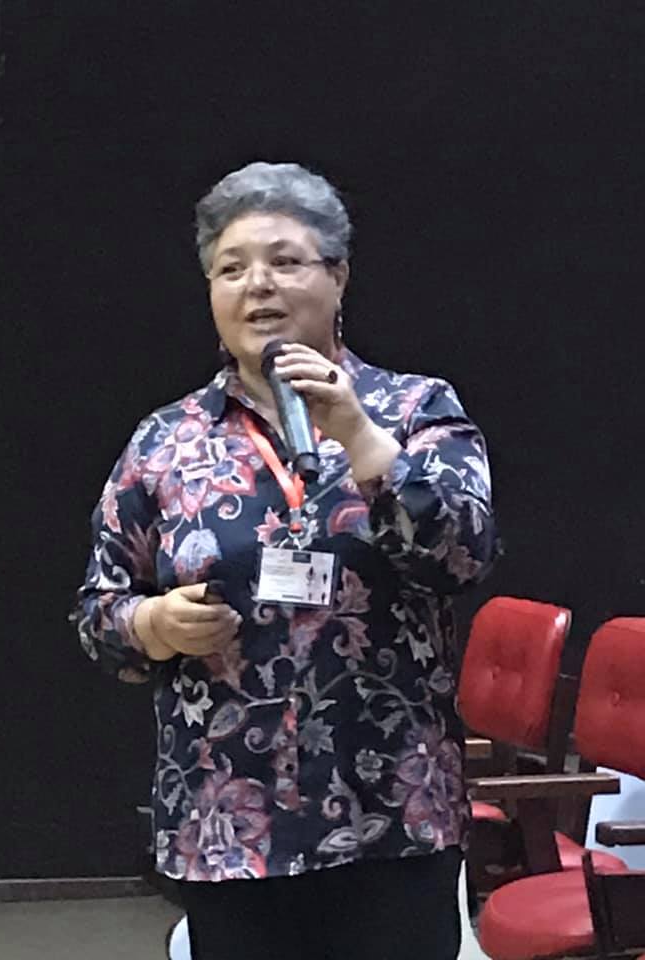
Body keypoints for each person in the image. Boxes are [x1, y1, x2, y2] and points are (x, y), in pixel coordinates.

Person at [73, 161, 499, 960]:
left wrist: (361, 439)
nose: (258, 285)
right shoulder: (166, 441)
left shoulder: (416, 410)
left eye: (285, 261)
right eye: (231, 268)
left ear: (338, 277)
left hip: (391, 816)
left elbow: (463, 556)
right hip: (228, 821)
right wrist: (154, 624)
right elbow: (99, 611)